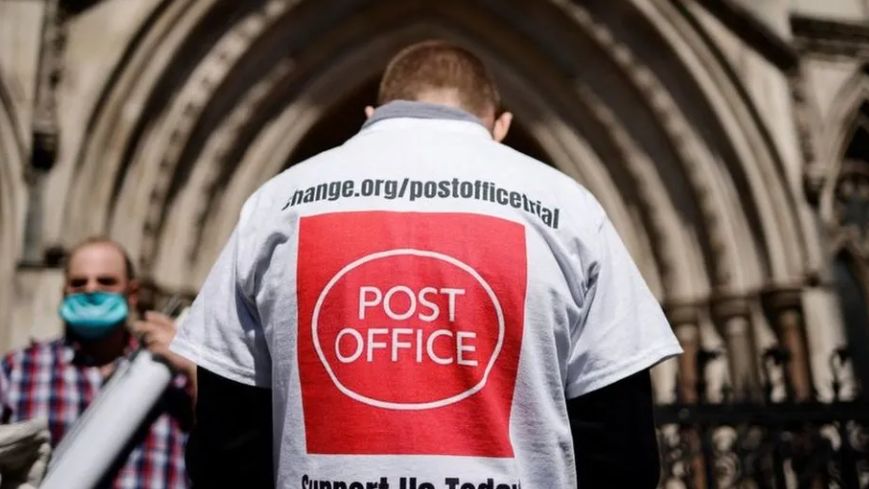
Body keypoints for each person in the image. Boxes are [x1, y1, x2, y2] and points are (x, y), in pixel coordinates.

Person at [172, 40, 683, 488]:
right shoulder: (569, 209)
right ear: (500, 126)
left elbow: (226, 439)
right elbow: (622, 449)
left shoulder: (276, 204)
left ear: (370, 115)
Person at [0, 237, 195, 488]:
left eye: (106, 282)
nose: (91, 290)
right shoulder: (18, 371)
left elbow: (231, 440)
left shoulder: (173, 373)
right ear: (64, 293)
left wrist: (193, 367)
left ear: (132, 294)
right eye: (79, 283)